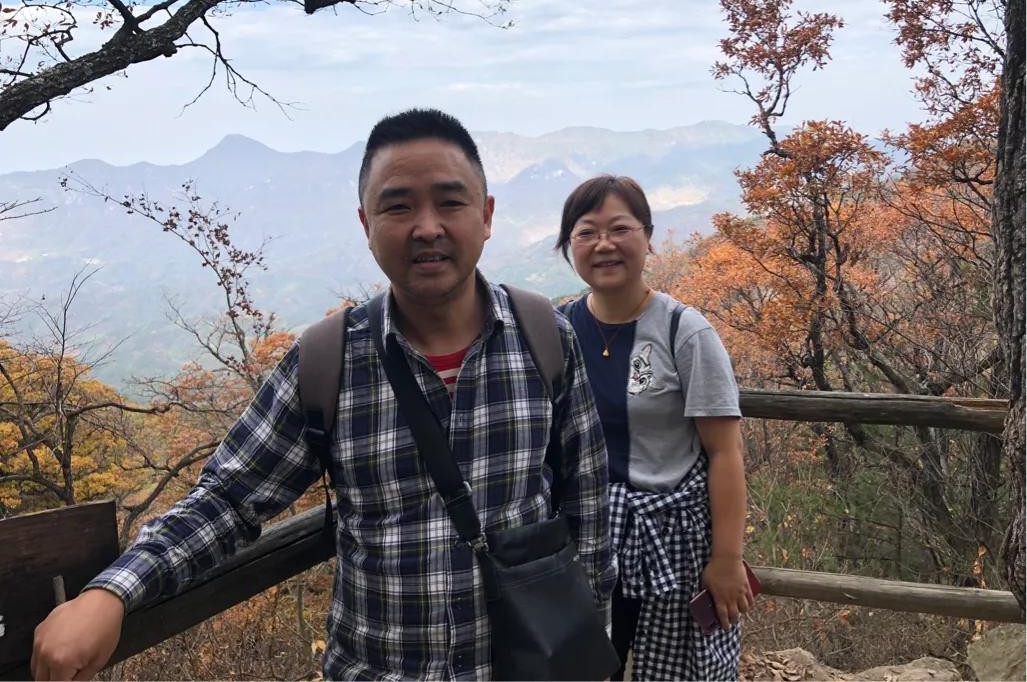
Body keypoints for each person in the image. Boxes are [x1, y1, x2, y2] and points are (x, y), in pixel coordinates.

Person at [31, 109, 616, 682]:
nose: (427, 226)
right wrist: (111, 594)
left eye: (450, 202)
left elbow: (587, 508)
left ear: (485, 216)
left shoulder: (545, 338)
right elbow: (229, 501)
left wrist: (586, 648)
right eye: (398, 206)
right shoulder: (327, 362)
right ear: (366, 224)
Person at [555, 174, 751, 681]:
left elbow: (725, 452)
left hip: (672, 539)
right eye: (586, 232)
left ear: (647, 236)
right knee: (586, 667)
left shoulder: (684, 331)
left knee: (673, 669)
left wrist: (727, 560)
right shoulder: (556, 330)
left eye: (620, 228)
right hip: (584, 537)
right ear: (569, 245)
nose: (604, 244)